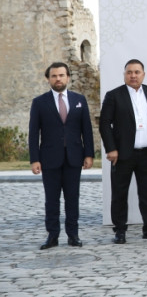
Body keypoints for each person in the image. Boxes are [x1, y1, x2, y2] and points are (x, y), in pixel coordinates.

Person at [99, 59, 147, 244]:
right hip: (122, 154)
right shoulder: (114, 95)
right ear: (124, 75)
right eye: (129, 72)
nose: (133, 75)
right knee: (119, 193)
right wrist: (111, 149)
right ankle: (120, 230)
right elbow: (104, 124)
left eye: (137, 72)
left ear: (143, 75)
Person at [28, 62, 94, 249]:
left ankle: (73, 235)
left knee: (72, 198)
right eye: (54, 76)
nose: (58, 79)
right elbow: (33, 133)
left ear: (68, 77)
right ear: (48, 79)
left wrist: (89, 154)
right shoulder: (39, 102)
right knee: (52, 199)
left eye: (61, 75)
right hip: (49, 159)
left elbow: (86, 130)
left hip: (74, 157)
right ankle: (52, 236)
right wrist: (34, 159)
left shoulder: (79, 100)